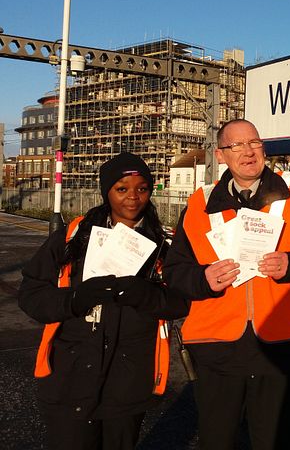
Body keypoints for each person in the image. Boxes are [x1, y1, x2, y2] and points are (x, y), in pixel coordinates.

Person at [163, 119, 290, 450]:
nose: (247, 151)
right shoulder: (199, 203)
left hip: (282, 344)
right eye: (236, 145)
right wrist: (204, 279)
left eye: (254, 143)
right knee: (217, 440)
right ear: (220, 156)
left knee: (278, 440)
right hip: (217, 345)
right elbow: (175, 270)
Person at [18, 152, 189, 450]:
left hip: (127, 380)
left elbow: (181, 302)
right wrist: (74, 298)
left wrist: (145, 294)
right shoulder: (72, 237)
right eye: (121, 188)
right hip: (69, 374)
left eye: (142, 188)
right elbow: (31, 294)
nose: (133, 197)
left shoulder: (164, 244)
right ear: (106, 191)